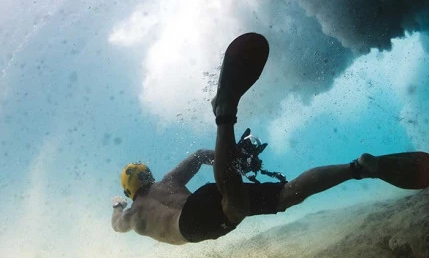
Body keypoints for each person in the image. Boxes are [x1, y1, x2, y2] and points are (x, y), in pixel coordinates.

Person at [110, 33, 409, 245]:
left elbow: (117, 225)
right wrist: (234, 158)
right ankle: (356, 168)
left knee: (235, 206)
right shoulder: (168, 181)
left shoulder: (134, 213)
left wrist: (116, 208)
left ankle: (224, 115)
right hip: (206, 199)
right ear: (147, 175)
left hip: (192, 223)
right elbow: (201, 155)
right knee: (286, 195)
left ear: (128, 189)